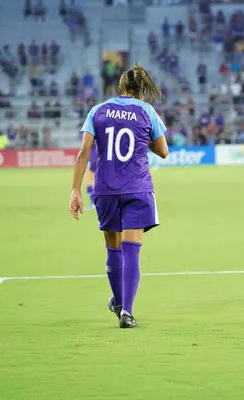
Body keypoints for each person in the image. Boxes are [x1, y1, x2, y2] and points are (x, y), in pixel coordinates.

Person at [68, 63, 169, 329]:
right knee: (131, 251)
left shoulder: (97, 111)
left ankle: (118, 303)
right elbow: (163, 151)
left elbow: (83, 152)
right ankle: (127, 311)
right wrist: (142, 138)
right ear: (141, 90)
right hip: (136, 188)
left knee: (113, 248)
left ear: (120, 86)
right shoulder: (147, 111)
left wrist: (75, 190)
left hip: (105, 190)